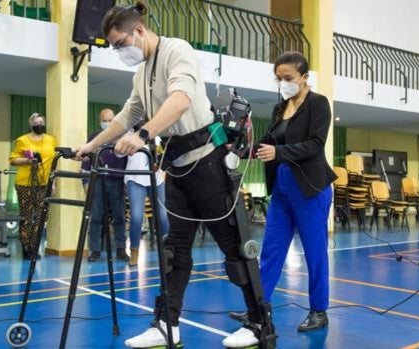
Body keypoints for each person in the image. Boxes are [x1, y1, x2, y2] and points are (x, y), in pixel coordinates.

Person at [76, 2, 273, 347]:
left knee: (234, 249)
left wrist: (142, 135)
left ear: (138, 31)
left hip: (208, 164)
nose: (120, 51)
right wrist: (91, 146)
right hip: (179, 170)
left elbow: (180, 101)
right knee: (174, 251)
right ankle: (167, 324)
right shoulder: (141, 72)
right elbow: (126, 114)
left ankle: (259, 325)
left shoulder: (177, 50)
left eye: (121, 43)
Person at [256, 51, 336, 331]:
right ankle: (259, 308)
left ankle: (319, 311)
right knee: (270, 251)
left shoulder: (318, 104)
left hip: (310, 188)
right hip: (282, 187)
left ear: (304, 77)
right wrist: (241, 146)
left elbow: (315, 145)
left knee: (315, 252)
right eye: (278, 78)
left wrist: (278, 151)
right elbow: (267, 140)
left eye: (287, 78)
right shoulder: (280, 108)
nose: (282, 83)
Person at [80, 108, 129, 263]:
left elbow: (128, 161)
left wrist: (127, 181)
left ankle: (121, 248)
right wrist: (85, 182)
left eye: (110, 120)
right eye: (104, 121)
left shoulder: (122, 137)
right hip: (98, 181)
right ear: (99, 121)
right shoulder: (94, 138)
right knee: (96, 217)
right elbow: (86, 160)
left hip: (117, 181)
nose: (107, 124)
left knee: (119, 216)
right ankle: (95, 250)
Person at [9, 113, 57, 259]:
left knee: (42, 215)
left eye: (42, 122)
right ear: (31, 124)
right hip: (25, 182)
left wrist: (54, 182)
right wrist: (27, 161)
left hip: (44, 182)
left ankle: (35, 244)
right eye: (36, 122)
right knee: (27, 216)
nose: (39, 124)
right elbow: (13, 159)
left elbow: (54, 162)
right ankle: (26, 245)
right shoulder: (22, 140)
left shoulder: (51, 140)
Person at [124, 121, 169, 266]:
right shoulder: (129, 136)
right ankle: (134, 251)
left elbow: (164, 156)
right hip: (136, 180)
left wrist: (161, 166)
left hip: (156, 180)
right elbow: (119, 155)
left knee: (163, 216)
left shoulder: (156, 137)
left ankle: (167, 251)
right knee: (137, 217)